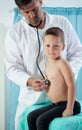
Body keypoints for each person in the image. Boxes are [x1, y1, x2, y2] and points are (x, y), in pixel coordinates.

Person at [4, 0, 82, 129]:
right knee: (31, 119)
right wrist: (29, 80)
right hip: (31, 99)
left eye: (34, 9)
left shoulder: (62, 22)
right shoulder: (15, 33)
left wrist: (65, 75)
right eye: (26, 12)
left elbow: (77, 53)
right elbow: (12, 67)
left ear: (40, 1)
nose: (32, 15)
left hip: (63, 99)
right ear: (19, 10)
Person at [27, 27, 81, 130]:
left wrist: (69, 108)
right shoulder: (47, 64)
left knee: (41, 120)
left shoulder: (63, 64)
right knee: (31, 117)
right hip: (55, 104)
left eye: (56, 46)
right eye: (48, 46)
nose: (51, 49)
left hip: (69, 104)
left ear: (63, 47)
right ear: (43, 46)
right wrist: (44, 83)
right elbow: (52, 82)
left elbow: (71, 85)